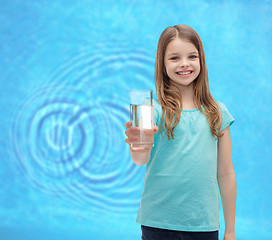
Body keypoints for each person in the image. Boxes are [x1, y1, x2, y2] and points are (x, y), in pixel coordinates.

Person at [124, 24, 236, 240]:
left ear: (201, 60)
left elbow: (226, 173)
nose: (184, 64)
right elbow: (140, 159)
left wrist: (230, 231)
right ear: (162, 64)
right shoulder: (151, 111)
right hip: (157, 223)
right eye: (174, 58)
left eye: (192, 56)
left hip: (203, 225)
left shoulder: (217, 112)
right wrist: (137, 144)